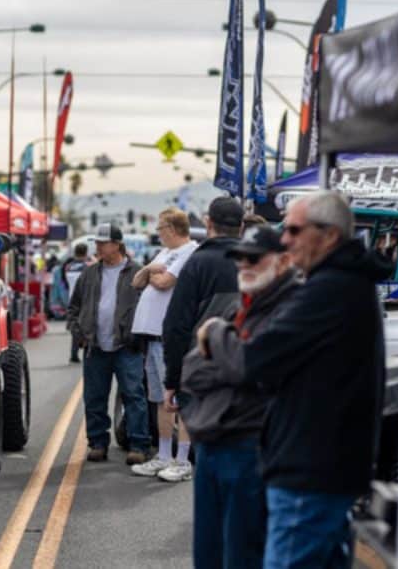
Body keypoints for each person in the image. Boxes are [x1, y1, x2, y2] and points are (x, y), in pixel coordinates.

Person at [223, 191, 389, 568]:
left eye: (295, 230)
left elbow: (254, 361)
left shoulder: (329, 288)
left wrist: (216, 336)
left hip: (310, 469)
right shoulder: (342, 283)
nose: (285, 239)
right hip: (323, 464)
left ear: (329, 236)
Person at [183, 226, 301, 568]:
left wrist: (216, 335)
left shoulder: (291, 307)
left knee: (242, 555)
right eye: (239, 259)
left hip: (251, 449)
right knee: (208, 555)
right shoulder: (241, 305)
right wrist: (230, 353)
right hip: (212, 447)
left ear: (282, 262)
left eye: (254, 258)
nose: (244, 265)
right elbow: (192, 371)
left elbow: (248, 368)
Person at [67, 223, 149, 465]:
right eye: (98, 243)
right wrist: (78, 332)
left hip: (127, 347)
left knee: (134, 396)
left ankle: (138, 444)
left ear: (117, 244)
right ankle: (98, 443)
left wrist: (139, 336)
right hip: (95, 347)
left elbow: (149, 306)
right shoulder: (89, 273)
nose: (99, 247)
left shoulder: (138, 272)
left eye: (103, 243)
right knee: (94, 397)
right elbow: (74, 307)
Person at [129, 208, 198, 483]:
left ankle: (182, 460)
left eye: (160, 228)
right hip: (152, 337)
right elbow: (139, 282)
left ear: (171, 228)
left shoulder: (188, 253)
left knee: (178, 399)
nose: (158, 233)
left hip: (170, 337)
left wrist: (152, 274)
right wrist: (148, 269)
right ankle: (164, 454)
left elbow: (163, 282)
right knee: (159, 399)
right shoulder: (163, 254)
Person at [162, 197, 244, 413]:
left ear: (208, 224)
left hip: (203, 373)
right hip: (248, 373)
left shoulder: (197, 264)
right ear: (241, 226)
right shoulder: (260, 262)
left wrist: (172, 380)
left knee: (206, 441)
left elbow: (176, 326)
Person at [63, 243, 91, 363]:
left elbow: (64, 281)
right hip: (84, 299)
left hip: (70, 297)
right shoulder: (87, 268)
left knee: (75, 326)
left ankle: (74, 353)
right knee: (85, 325)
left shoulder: (68, 266)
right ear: (85, 253)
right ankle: (84, 351)